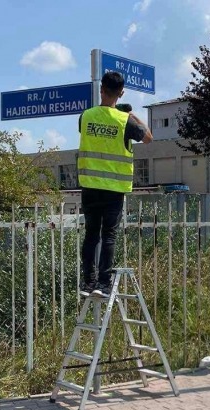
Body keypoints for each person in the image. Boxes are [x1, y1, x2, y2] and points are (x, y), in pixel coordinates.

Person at [78, 71, 152, 298]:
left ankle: (87, 282)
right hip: (114, 190)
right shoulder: (125, 120)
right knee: (108, 235)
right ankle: (103, 283)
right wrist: (131, 114)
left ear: (101, 89)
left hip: (90, 186)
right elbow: (148, 138)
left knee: (91, 235)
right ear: (121, 93)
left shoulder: (86, 116)